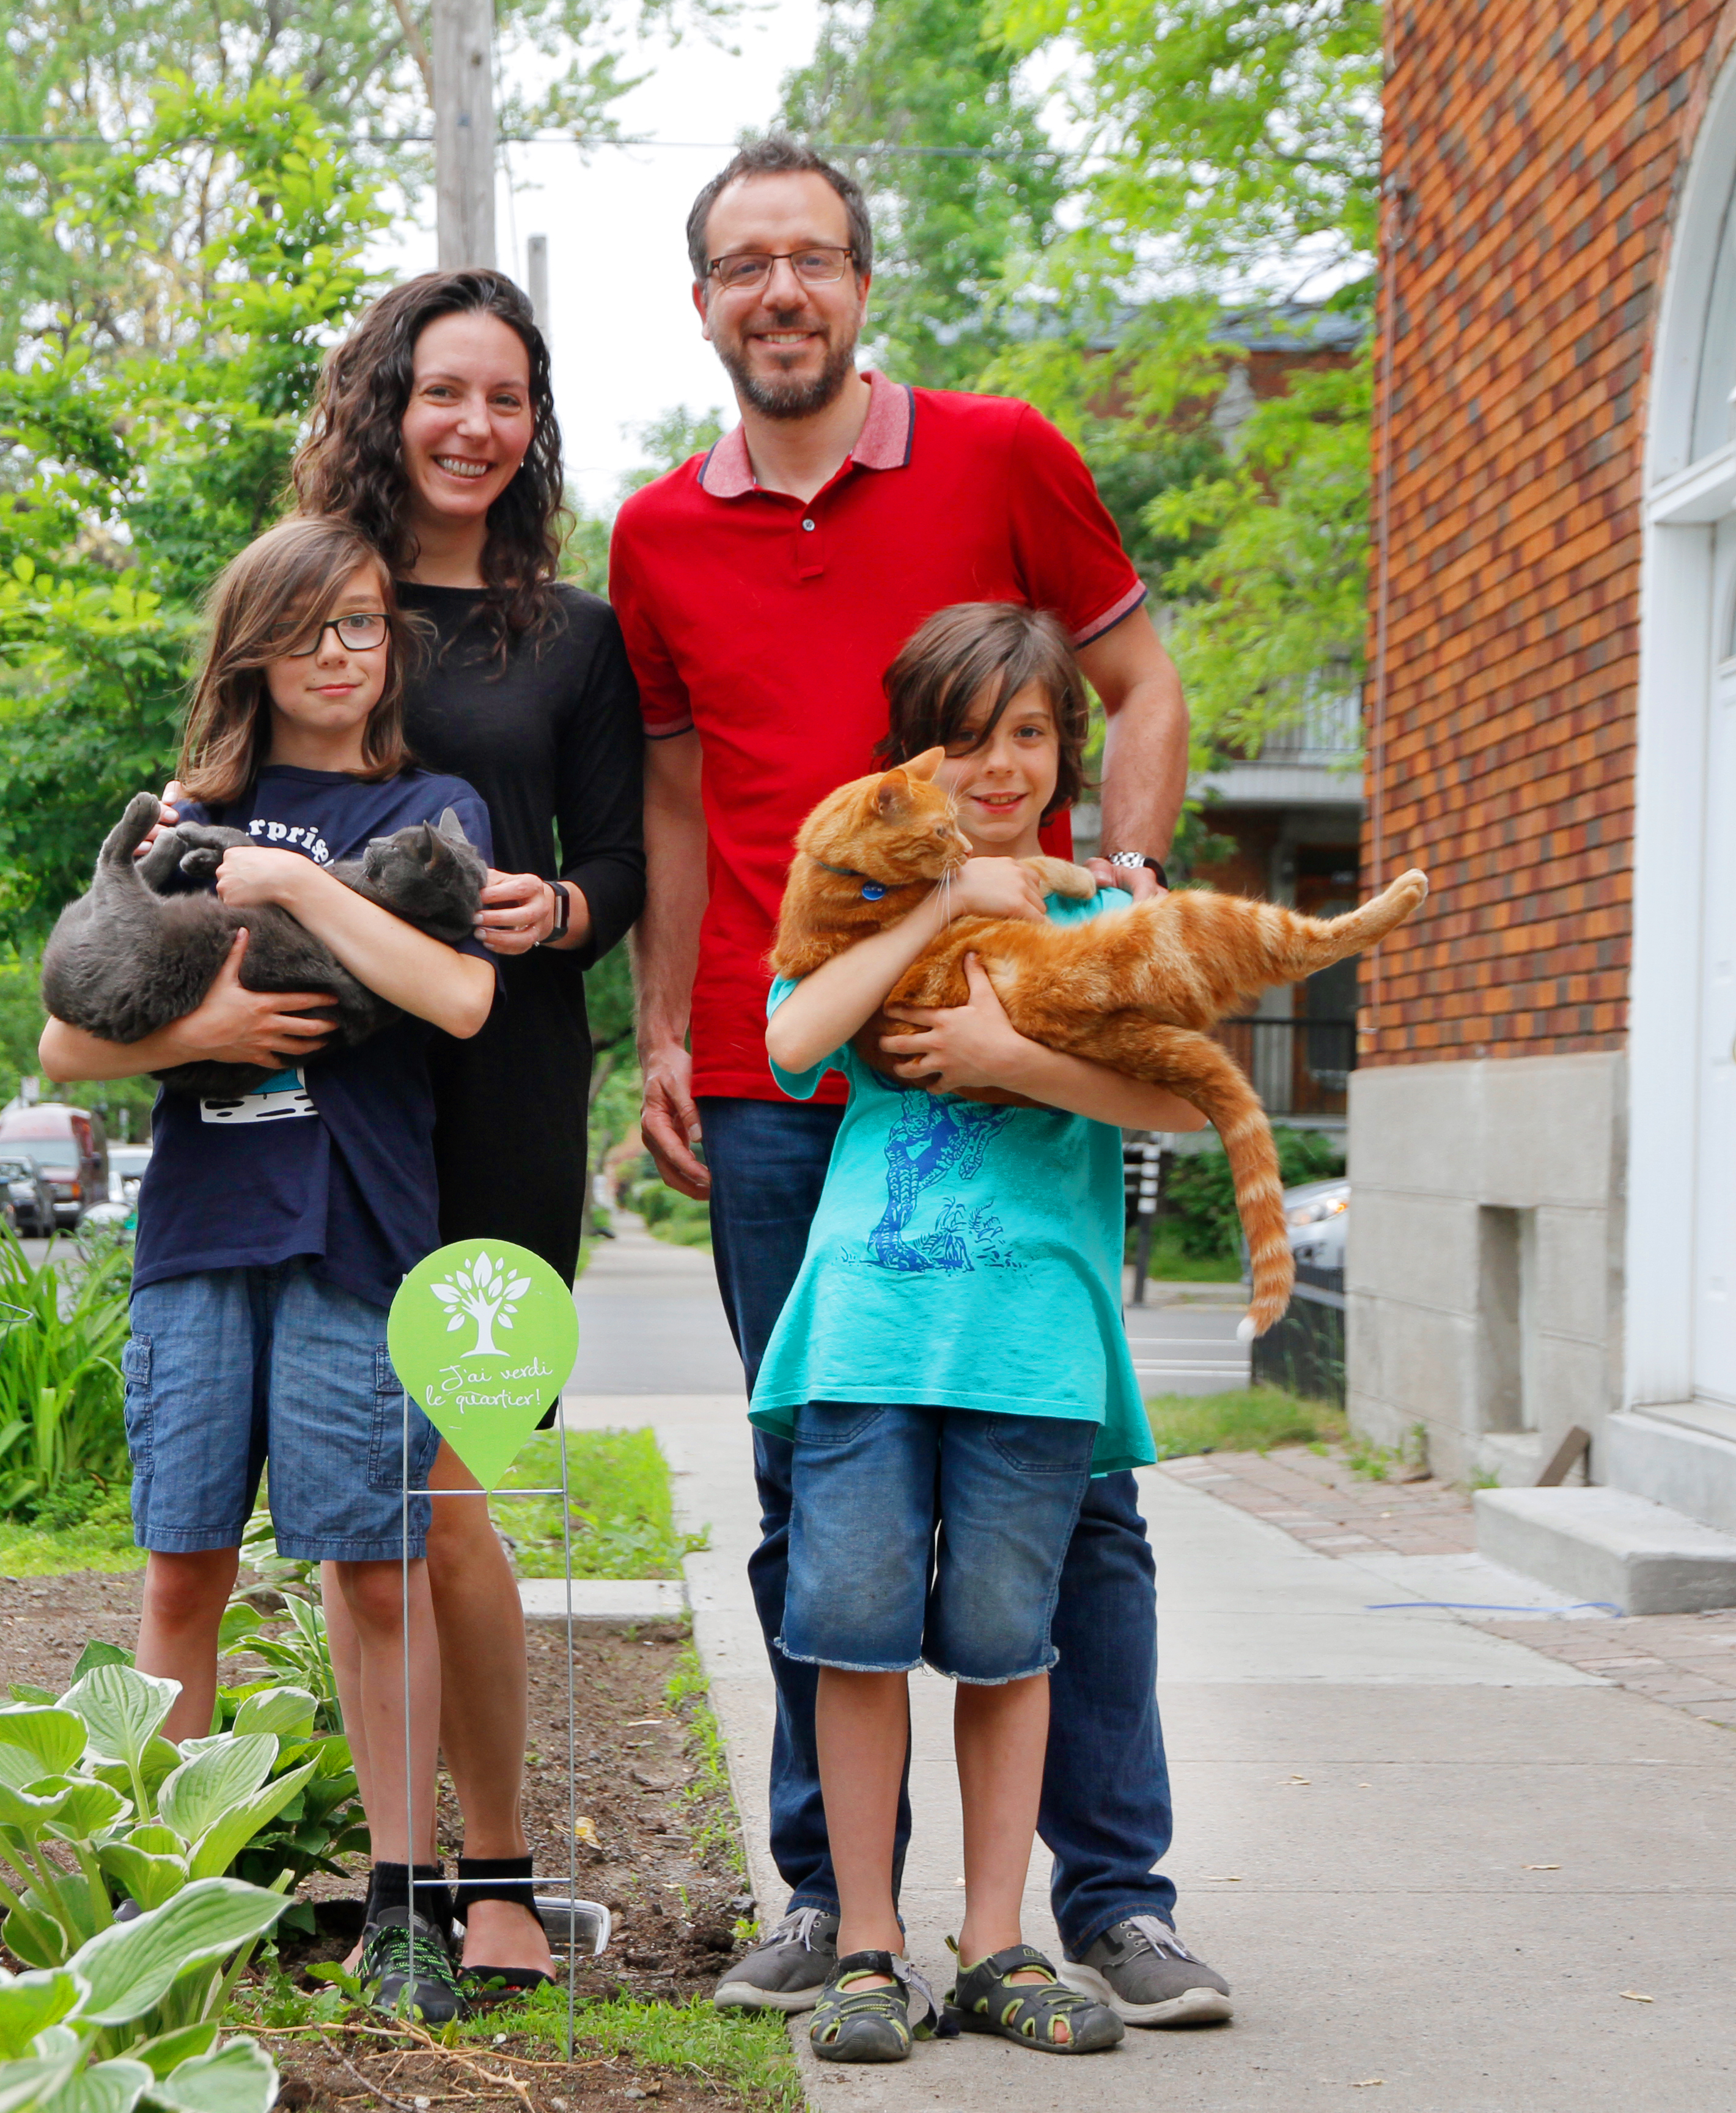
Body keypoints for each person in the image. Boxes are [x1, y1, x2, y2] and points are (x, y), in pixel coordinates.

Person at [610, 136, 1232, 2025]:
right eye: (743, 264)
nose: (779, 291)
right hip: (776, 1066)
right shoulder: (655, 537)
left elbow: (1142, 684)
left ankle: (1108, 1899)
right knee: (814, 1491)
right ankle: (838, 1905)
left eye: (811, 257)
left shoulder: (1001, 453)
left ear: (863, 283)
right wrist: (663, 1029)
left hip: (1019, 1057)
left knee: (1076, 1493)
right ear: (703, 302)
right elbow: (675, 796)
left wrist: (1122, 900)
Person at [38, 514, 499, 2023]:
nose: (340, 654)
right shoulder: (187, 812)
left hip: (359, 1230)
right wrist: (210, 1033)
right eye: (306, 630)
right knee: (184, 1565)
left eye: (363, 624)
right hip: (199, 1234)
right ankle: (168, 1908)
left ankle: (407, 1907)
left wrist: (294, 889)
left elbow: (458, 996)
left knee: (376, 1570)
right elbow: (65, 1042)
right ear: (253, 651)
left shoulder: (432, 807)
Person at [761, 604, 1201, 2063]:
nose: (998, 765)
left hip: (1031, 1348)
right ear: (912, 761)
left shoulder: (1103, 916)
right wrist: (943, 901)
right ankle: (866, 1948)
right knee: (852, 1637)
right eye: (964, 739)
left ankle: (998, 1943)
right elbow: (791, 1042)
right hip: (869, 1337)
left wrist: (1016, 1056)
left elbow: (1187, 1097)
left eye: (1027, 734)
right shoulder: (862, 898)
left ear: (1067, 752)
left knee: (1012, 1648)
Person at [286, 265, 647, 1991]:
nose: (475, 426)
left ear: (535, 423)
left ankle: (495, 1873)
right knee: (370, 1501)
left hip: (506, 1090)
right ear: (388, 404)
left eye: (508, 399)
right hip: (338, 1093)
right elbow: (230, 790)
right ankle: (398, 1879)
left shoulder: (571, 634)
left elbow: (622, 861)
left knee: (452, 1488)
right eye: (445, 392)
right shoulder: (323, 597)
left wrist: (559, 911)